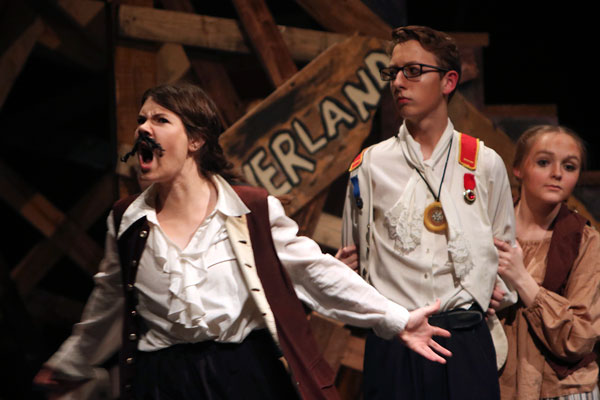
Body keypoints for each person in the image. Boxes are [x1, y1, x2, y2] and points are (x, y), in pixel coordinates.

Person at [33, 83, 452, 400]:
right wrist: (70, 364)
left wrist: (395, 319)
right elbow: (108, 305)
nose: (144, 128)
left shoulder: (249, 210)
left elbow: (316, 272)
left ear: (195, 141)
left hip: (240, 374)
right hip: (161, 380)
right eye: (142, 119)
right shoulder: (127, 221)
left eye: (160, 120)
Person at [341, 25, 517, 399]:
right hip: (396, 341)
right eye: (393, 73)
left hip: (464, 340)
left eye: (413, 71)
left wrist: (500, 289)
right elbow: (355, 254)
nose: (398, 83)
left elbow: (505, 249)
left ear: (449, 81)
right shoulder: (369, 166)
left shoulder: (483, 163)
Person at [494, 125, 600, 400]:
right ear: (518, 169)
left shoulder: (585, 241)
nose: (557, 174)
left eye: (569, 166)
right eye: (544, 162)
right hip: (496, 387)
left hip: (561, 391)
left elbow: (579, 335)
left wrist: (522, 279)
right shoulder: (490, 231)